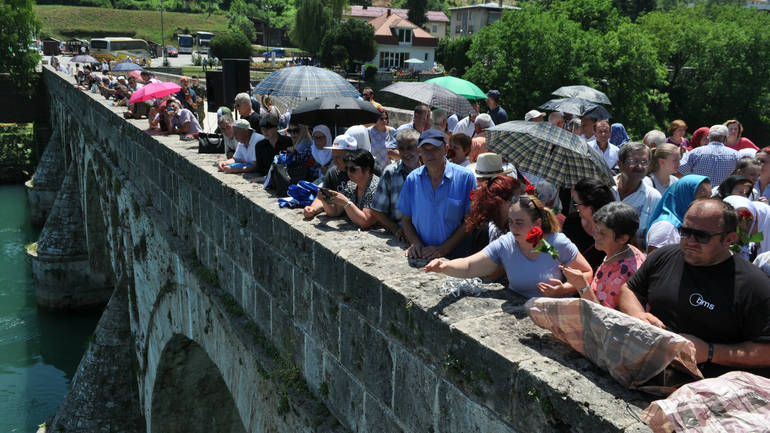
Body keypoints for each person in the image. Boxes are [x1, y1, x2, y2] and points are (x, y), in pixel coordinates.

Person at [617, 199, 770, 377]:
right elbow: (629, 290)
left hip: (706, 386)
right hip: (648, 367)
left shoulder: (754, 286)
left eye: (701, 236)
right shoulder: (664, 257)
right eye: (685, 231)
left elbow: (765, 350)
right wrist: (638, 315)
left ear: (729, 239)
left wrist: (710, 352)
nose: (690, 241)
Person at [424, 194, 593, 299]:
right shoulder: (506, 244)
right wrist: (444, 266)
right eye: (511, 222)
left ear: (538, 223)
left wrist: (562, 290)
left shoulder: (557, 244)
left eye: (519, 223)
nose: (513, 228)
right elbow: (469, 266)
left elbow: (587, 274)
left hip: (552, 315)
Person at [396, 129, 477, 259]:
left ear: (445, 149)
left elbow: (469, 221)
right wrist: (415, 244)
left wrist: (443, 249)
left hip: (455, 258)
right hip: (423, 256)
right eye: (425, 150)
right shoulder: (413, 179)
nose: (430, 154)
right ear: (419, 151)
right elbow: (406, 220)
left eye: (435, 149)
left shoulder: (465, 177)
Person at [560, 202, 646, 309]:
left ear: (623, 238)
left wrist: (581, 285)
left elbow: (601, 317)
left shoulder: (622, 275)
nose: (595, 236)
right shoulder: (625, 251)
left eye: (603, 233)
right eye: (596, 229)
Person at [370, 129, 422, 242]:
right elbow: (377, 209)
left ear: (419, 148)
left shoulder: (429, 171)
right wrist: (395, 229)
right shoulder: (391, 172)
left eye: (410, 148)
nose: (406, 153)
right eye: (401, 149)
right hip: (401, 236)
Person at [646, 175, 712, 253]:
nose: (709, 203)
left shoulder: (689, 223)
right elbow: (656, 263)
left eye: (710, 197)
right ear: (685, 197)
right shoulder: (666, 228)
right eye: (703, 198)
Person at [562, 178, 616, 270]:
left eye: (576, 204)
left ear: (590, 208)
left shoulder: (613, 230)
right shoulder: (572, 221)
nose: (576, 208)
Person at [318, 149, 380, 228]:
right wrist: (324, 200)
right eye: (347, 169)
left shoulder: (377, 187)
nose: (349, 173)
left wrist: (346, 203)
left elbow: (365, 221)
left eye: (353, 169)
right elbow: (335, 212)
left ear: (367, 168)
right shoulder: (351, 185)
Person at [613, 142, 662, 240]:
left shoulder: (653, 197)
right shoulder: (606, 187)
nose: (639, 166)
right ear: (620, 164)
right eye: (633, 161)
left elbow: (652, 237)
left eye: (644, 162)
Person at [465, 169, 520, 254]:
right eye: (515, 199)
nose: (519, 202)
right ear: (500, 201)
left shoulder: (507, 225)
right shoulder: (485, 230)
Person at [303, 134, 356, 219]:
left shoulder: (362, 173)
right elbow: (322, 197)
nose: (334, 161)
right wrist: (313, 209)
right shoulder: (333, 172)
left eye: (338, 157)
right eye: (333, 157)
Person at [254, 113, 292, 179]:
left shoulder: (288, 142)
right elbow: (260, 168)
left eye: (268, 128)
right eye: (262, 129)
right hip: (267, 180)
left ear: (276, 127)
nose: (265, 131)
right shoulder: (259, 146)